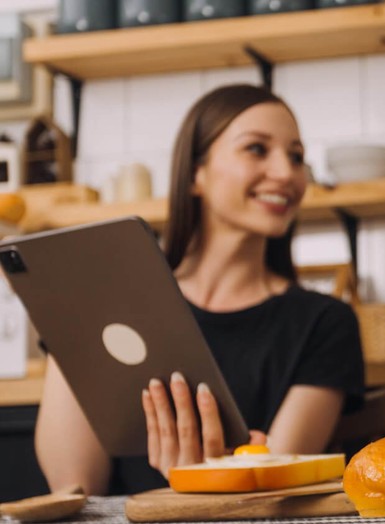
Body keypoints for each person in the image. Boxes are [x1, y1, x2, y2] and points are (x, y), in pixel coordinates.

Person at [35, 85, 365, 495]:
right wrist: (73, 321)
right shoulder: (107, 306)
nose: (287, 173)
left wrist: (198, 486)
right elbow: (75, 488)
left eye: (296, 156)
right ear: (195, 174)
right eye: (258, 149)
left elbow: (273, 490)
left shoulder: (325, 323)